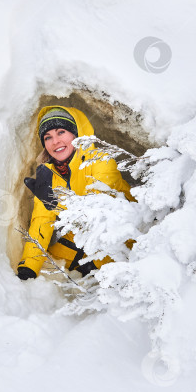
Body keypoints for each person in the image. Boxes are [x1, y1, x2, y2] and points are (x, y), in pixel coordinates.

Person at [16, 105, 135, 280]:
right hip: (80, 242)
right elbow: (41, 221)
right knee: (51, 259)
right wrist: (29, 266)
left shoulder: (101, 161)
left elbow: (98, 214)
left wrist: (55, 204)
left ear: (76, 133)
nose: (55, 141)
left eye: (61, 132)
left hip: (120, 238)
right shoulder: (50, 175)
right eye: (48, 137)